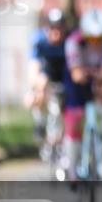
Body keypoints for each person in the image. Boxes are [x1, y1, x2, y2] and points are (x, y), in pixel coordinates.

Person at [63, 9, 102, 177]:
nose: (96, 43)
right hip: (79, 79)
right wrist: (83, 74)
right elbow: (76, 74)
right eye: (91, 39)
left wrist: (100, 81)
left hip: (101, 75)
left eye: (100, 39)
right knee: (74, 117)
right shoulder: (73, 42)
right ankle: (72, 167)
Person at [26, 8, 69, 150]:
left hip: (64, 77)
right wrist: (34, 88)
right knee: (40, 85)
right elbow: (33, 67)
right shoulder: (40, 41)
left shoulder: (70, 42)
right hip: (47, 77)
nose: (56, 33)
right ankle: (40, 123)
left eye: (59, 29)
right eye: (52, 28)